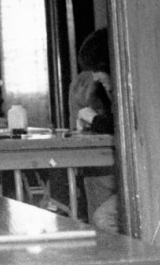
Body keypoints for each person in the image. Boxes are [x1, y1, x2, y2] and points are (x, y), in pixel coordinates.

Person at [68, 27, 118, 231]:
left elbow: (125, 127)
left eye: (98, 70)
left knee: (102, 217)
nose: (95, 77)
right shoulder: (101, 89)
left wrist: (96, 119)